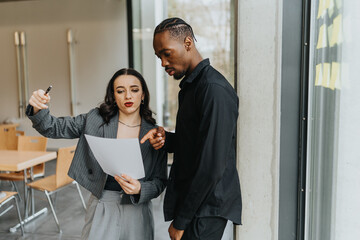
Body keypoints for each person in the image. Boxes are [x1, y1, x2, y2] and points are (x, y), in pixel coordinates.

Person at [26, 68, 167, 240]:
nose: (128, 96)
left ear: (143, 94)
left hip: (138, 207)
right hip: (102, 203)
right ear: (113, 96)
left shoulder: (155, 134)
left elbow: (160, 181)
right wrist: (37, 108)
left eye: (134, 90)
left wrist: (140, 188)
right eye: (120, 91)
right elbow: (53, 127)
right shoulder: (95, 119)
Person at [141, 17, 242, 240]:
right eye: (159, 57)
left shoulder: (213, 90)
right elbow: (195, 144)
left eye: (167, 53)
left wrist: (182, 220)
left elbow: (211, 165)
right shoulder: (192, 87)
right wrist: (166, 139)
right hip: (197, 203)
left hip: (205, 208)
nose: (163, 63)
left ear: (187, 43)